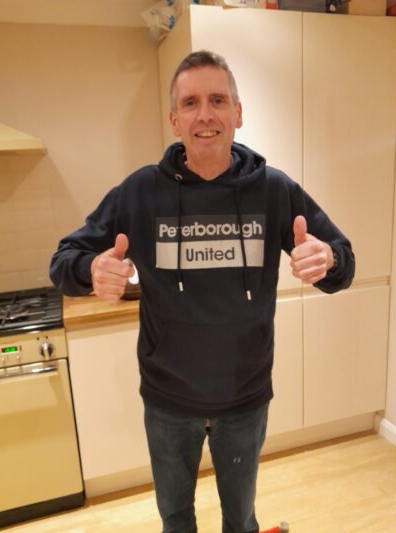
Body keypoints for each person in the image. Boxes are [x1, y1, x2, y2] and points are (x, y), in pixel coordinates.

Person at [50, 50, 355, 533]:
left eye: (218, 100)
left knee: (241, 520)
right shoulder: (140, 193)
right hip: (169, 402)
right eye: (190, 103)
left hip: (245, 398)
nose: (205, 114)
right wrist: (90, 269)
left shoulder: (274, 191)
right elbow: (62, 261)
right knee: (176, 521)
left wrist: (329, 259)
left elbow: (343, 258)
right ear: (174, 120)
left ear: (238, 112)